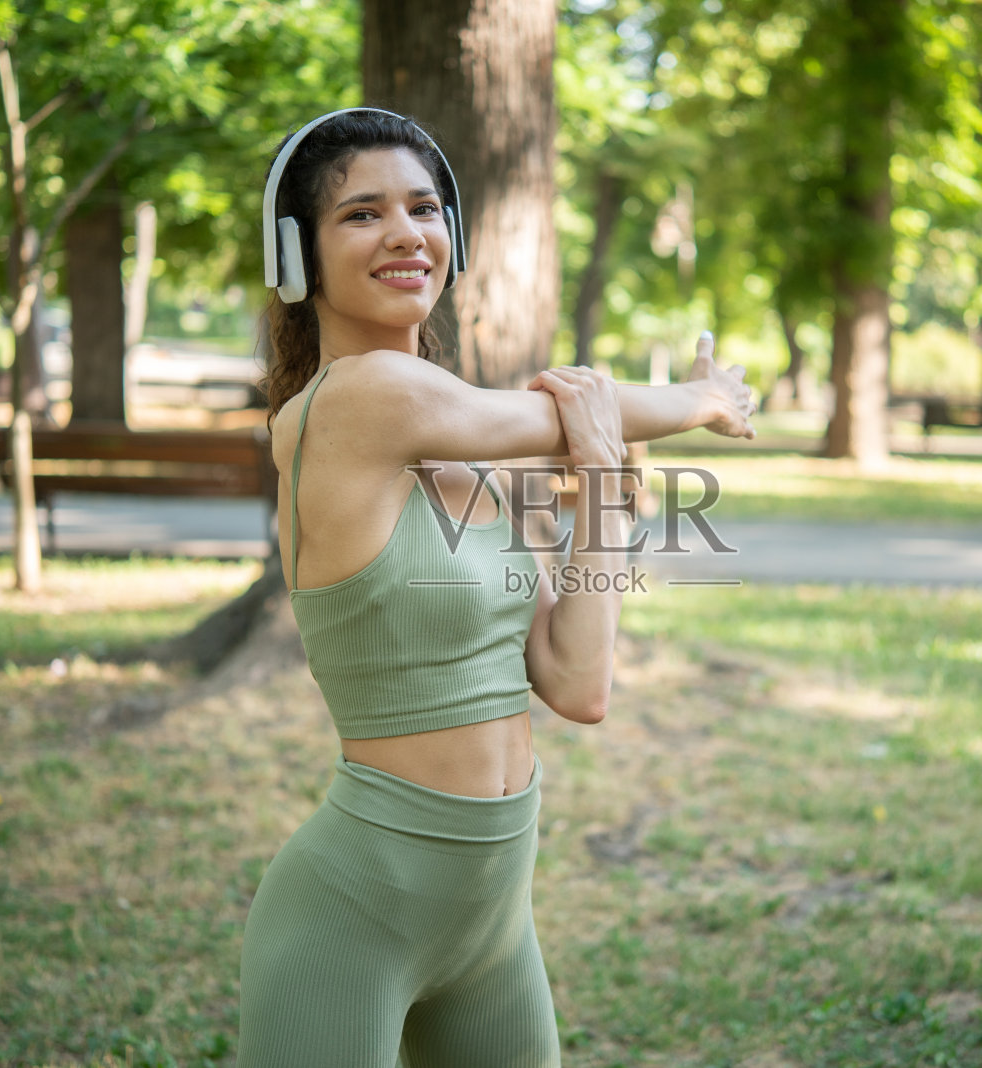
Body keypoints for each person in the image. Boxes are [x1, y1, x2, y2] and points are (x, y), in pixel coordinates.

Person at [238, 107, 756, 1067]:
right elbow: (560, 415)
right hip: (352, 913)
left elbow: (577, 685)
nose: (405, 233)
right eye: (361, 215)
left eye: (425, 208)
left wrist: (605, 485)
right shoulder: (353, 401)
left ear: (455, 236)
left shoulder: (471, 466)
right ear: (298, 256)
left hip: (492, 928)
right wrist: (703, 400)